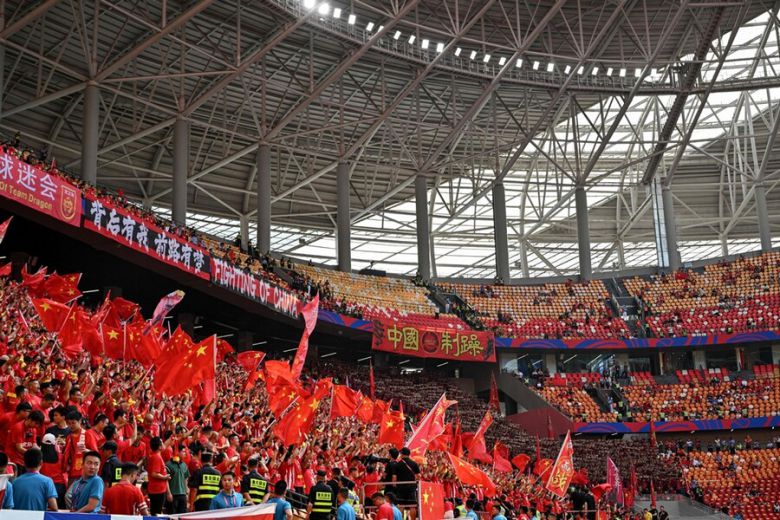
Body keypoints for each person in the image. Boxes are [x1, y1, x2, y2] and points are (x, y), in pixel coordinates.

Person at [147, 436, 170, 515]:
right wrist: (164, 477)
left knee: (156, 511)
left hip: (157, 489)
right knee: (156, 513)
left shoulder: (155, 455)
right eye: (162, 443)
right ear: (159, 447)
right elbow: (154, 473)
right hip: (157, 490)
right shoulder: (156, 457)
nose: (164, 444)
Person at [166, 448, 191, 514]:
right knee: (172, 515)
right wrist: (168, 493)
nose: (185, 453)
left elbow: (186, 479)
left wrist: (186, 492)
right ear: (177, 452)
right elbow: (165, 480)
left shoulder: (184, 465)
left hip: (182, 494)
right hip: (172, 494)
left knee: (182, 515)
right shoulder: (168, 465)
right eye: (183, 451)